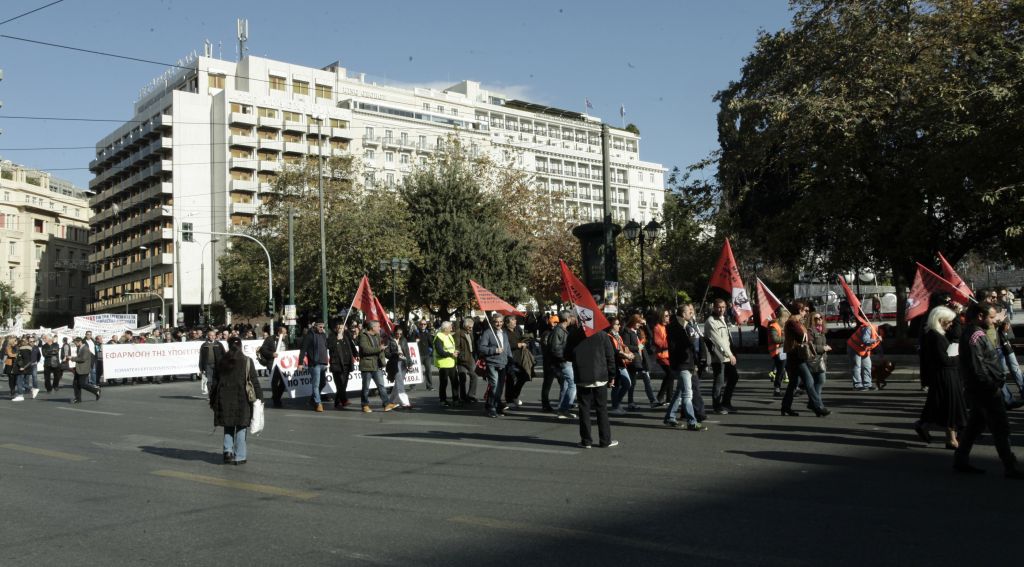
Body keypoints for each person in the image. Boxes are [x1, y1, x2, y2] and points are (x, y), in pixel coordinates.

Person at [953, 302, 1024, 478]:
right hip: (985, 390)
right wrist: (992, 386)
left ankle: (960, 459)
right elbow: (978, 367)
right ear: (980, 316)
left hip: (982, 388)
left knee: (975, 425)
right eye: (991, 317)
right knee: (1000, 428)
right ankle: (1010, 466)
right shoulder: (975, 336)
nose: (994, 321)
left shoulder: (976, 333)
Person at [913, 306, 968, 448]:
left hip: (947, 374)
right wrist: (958, 357)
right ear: (940, 320)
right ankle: (950, 438)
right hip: (945, 375)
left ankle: (930, 427)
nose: (951, 324)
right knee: (950, 406)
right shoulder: (935, 336)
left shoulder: (938, 334)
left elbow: (956, 333)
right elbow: (944, 360)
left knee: (944, 406)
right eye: (949, 321)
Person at [209, 336, 263, 465]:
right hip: (242, 397)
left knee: (228, 425)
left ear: (228, 346)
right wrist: (260, 397)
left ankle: (228, 451)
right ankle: (240, 456)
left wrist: (212, 398)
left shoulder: (221, 361)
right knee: (241, 426)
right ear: (241, 346)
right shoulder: (247, 361)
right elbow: (254, 380)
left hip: (224, 396)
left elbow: (215, 382)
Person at [566, 321, 618, 448]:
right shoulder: (602, 335)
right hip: (600, 376)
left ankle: (586, 441)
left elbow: (567, 355)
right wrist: (612, 375)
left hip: (582, 375)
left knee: (584, 409)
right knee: (602, 409)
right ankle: (605, 440)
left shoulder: (573, 335)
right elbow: (610, 356)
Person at [663, 304, 706, 430]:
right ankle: (692, 422)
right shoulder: (676, 327)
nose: (691, 313)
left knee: (679, 393)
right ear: (683, 314)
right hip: (682, 364)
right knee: (688, 395)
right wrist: (691, 339)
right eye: (689, 311)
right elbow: (681, 346)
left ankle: (670, 417)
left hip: (689, 363)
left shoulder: (688, 325)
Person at [705, 298, 739, 414]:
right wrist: (730, 355)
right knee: (719, 381)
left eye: (723, 307)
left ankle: (726, 402)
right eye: (719, 307)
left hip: (727, 356)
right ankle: (717, 406)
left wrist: (732, 353)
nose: (721, 309)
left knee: (734, 377)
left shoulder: (723, 319)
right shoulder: (711, 321)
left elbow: (727, 339)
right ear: (714, 307)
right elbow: (719, 340)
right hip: (718, 356)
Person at [477, 312, 510, 418]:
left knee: (500, 387)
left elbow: (507, 348)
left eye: (501, 322)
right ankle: (492, 407)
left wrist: (511, 360)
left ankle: (495, 405)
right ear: (492, 322)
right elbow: (481, 348)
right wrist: (494, 350)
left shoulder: (504, 333)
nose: (499, 324)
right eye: (496, 322)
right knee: (494, 385)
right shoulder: (488, 333)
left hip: (503, 362)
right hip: (492, 362)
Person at [357, 321, 395, 413]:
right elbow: (365, 350)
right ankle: (364, 405)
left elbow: (381, 348)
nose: (379, 328)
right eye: (378, 326)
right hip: (367, 365)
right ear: (372, 327)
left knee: (381, 386)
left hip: (377, 365)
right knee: (366, 387)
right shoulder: (363, 336)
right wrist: (379, 348)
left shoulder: (377, 336)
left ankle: (386, 404)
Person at [549, 311, 577, 420]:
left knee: (566, 384)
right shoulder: (558, 330)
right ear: (567, 319)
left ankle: (562, 409)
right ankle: (564, 409)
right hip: (564, 361)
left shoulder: (564, 330)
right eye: (570, 317)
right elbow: (555, 348)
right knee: (572, 384)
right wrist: (565, 357)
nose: (572, 319)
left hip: (566, 360)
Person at [625, 315, 657, 410]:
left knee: (647, 380)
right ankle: (630, 402)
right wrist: (636, 348)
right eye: (638, 323)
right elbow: (626, 346)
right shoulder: (627, 331)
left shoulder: (638, 331)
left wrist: (645, 325)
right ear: (634, 322)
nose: (639, 325)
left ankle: (653, 401)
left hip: (642, 359)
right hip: (634, 359)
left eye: (640, 323)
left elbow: (650, 336)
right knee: (633, 382)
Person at [297, 320, 329, 413]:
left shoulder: (323, 335)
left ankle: (313, 399)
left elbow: (326, 346)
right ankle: (318, 403)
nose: (322, 329)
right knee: (316, 384)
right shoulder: (309, 336)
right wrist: (300, 363)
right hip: (314, 364)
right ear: (315, 326)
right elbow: (303, 350)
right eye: (320, 327)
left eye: (323, 327)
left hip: (323, 363)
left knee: (323, 383)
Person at [503, 316, 534, 407]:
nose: (515, 321)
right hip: (510, 358)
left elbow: (521, 339)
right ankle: (509, 399)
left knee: (524, 376)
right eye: (512, 320)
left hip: (519, 358)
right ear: (507, 322)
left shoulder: (517, 330)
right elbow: (505, 344)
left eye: (515, 319)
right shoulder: (504, 332)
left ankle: (515, 396)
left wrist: (525, 341)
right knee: (510, 379)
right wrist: (517, 345)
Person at [806, 311, 832, 415]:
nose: (819, 320)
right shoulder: (810, 331)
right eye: (816, 318)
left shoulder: (821, 331)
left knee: (818, 382)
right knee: (820, 381)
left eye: (820, 318)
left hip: (821, 360)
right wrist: (823, 348)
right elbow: (809, 346)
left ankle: (813, 403)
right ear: (811, 320)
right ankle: (818, 405)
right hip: (813, 360)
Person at [607, 317, 633, 415]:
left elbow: (622, 347)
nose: (619, 326)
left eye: (619, 324)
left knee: (627, 384)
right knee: (616, 386)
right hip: (615, 363)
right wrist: (625, 354)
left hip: (621, 363)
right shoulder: (609, 336)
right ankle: (615, 406)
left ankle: (617, 403)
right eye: (617, 324)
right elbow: (614, 351)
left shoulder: (618, 336)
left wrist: (629, 354)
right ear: (611, 325)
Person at [328, 322, 355, 409]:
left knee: (344, 384)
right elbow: (330, 347)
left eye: (343, 328)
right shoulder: (332, 337)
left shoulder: (346, 336)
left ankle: (337, 402)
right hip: (337, 364)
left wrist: (356, 354)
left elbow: (352, 346)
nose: (341, 330)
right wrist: (337, 340)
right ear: (336, 329)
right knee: (340, 383)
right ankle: (344, 400)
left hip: (347, 363)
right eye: (339, 328)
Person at [847, 319, 880, 390]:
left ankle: (867, 384)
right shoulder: (868, 328)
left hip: (863, 350)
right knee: (856, 366)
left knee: (867, 366)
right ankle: (857, 385)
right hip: (854, 347)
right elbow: (865, 340)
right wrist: (875, 340)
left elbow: (877, 346)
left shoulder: (878, 334)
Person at [433, 321, 459, 407]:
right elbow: (440, 351)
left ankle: (456, 399)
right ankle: (443, 400)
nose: (452, 328)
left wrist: (454, 352)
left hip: (451, 362)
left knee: (455, 382)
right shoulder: (439, 337)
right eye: (450, 327)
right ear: (445, 328)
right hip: (443, 363)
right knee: (444, 383)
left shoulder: (449, 336)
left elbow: (451, 348)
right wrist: (451, 354)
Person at [386, 324, 412, 409]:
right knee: (400, 382)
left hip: (404, 363)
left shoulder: (403, 340)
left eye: (401, 334)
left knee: (398, 383)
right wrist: (395, 354)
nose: (399, 335)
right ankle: (405, 402)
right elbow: (386, 354)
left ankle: (391, 401)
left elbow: (407, 353)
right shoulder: (389, 340)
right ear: (394, 332)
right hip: (395, 363)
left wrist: (410, 363)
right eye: (397, 333)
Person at [263, 325, 288, 408]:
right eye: (284, 333)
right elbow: (263, 350)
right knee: (274, 382)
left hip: (283, 364)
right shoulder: (270, 339)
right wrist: (271, 354)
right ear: (279, 333)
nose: (285, 335)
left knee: (284, 382)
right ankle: (276, 400)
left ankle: (276, 396)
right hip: (273, 363)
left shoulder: (286, 340)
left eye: (286, 333)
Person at [652, 310, 673, 405]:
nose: (668, 317)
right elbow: (658, 342)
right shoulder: (657, 328)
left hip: (670, 355)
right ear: (661, 317)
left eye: (668, 315)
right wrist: (670, 343)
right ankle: (660, 396)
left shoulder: (669, 327)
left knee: (671, 376)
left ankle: (669, 398)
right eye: (666, 315)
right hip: (662, 355)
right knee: (670, 374)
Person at [767, 307, 789, 397]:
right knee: (780, 370)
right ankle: (777, 389)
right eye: (786, 318)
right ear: (782, 317)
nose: (787, 320)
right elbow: (775, 339)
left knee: (783, 369)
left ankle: (779, 388)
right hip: (777, 352)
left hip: (782, 351)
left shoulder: (781, 326)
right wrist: (787, 338)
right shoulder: (774, 326)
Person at [71, 337, 100, 404]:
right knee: (75, 384)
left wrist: (72, 358)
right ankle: (78, 399)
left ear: (79, 341)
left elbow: (82, 359)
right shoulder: (80, 348)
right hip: (79, 369)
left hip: (84, 369)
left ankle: (96, 390)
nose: (74, 344)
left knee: (82, 384)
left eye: (75, 342)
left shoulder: (85, 348)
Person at [198, 328, 225, 397]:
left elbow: (224, 354)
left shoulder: (219, 344)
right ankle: (211, 394)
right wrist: (201, 368)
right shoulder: (204, 345)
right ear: (208, 336)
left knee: (217, 379)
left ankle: (217, 394)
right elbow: (201, 357)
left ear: (215, 336)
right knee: (209, 380)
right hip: (207, 365)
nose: (212, 337)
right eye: (210, 335)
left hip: (217, 365)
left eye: (213, 335)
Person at [456, 317, 477, 404]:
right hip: (462, 358)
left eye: (472, 327)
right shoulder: (458, 333)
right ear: (465, 326)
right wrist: (461, 356)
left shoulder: (470, 333)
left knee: (474, 376)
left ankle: (471, 395)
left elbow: (472, 344)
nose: (471, 329)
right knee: (462, 378)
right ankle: (463, 397)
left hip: (470, 357)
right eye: (469, 327)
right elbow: (456, 346)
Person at [411, 319, 434, 390]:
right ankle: (412, 386)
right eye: (421, 324)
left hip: (427, 355)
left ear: (426, 325)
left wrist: (431, 352)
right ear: (419, 325)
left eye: (424, 324)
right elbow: (410, 342)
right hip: (418, 355)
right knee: (415, 370)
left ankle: (429, 386)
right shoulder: (415, 333)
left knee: (428, 371)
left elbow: (431, 344)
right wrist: (415, 341)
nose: (423, 325)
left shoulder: (428, 333)